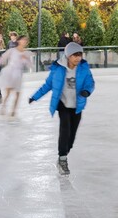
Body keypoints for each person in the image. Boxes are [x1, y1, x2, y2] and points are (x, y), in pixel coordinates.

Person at [29, 42, 95, 176]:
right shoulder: (58, 69)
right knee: (65, 130)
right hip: (63, 104)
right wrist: (35, 97)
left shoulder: (84, 68)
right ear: (68, 55)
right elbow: (47, 85)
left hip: (77, 106)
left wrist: (86, 91)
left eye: (80, 55)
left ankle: (65, 151)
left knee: (71, 137)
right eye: (75, 55)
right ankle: (62, 159)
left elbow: (90, 83)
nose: (78, 58)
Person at [0, 35, 32, 120]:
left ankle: (13, 111)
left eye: (26, 40)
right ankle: (3, 107)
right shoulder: (12, 51)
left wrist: (26, 59)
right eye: (23, 40)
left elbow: (30, 66)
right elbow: (1, 60)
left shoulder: (26, 53)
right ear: (19, 41)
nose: (24, 42)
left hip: (18, 74)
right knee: (8, 92)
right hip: (9, 72)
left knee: (18, 93)